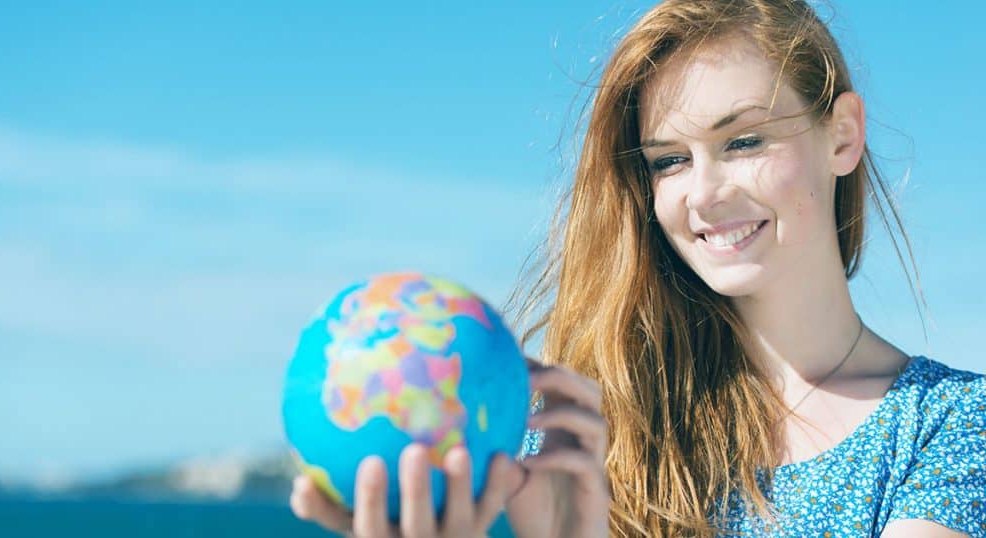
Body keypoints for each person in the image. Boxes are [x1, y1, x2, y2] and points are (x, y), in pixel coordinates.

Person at [290, 0, 986, 535]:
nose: (704, 193)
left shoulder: (950, 427)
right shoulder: (593, 424)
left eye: (743, 140)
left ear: (843, 135)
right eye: (669, 161)